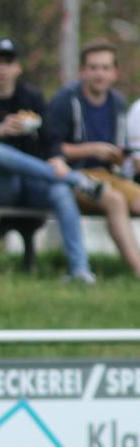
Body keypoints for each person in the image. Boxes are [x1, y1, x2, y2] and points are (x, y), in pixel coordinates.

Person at [0, 38, 100, 282]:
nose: (3, 68)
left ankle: (80, 270)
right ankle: (75, 179)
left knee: (60, 191)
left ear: (18, 68)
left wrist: (56, 158)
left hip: (33, 183)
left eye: (9, 62)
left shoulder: (32, 98)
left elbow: (50, 138)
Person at [46, 38, 140, 278]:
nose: (100, 74)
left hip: (107, 175)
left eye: (106, 68)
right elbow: (51, 150)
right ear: (82, 71)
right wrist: (90, 150)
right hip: (72, 176)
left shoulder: (117, 103)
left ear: (115, 72)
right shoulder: (65, 102)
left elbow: (118, 151)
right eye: (94, 67)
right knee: (115, 200)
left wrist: (120, 156)